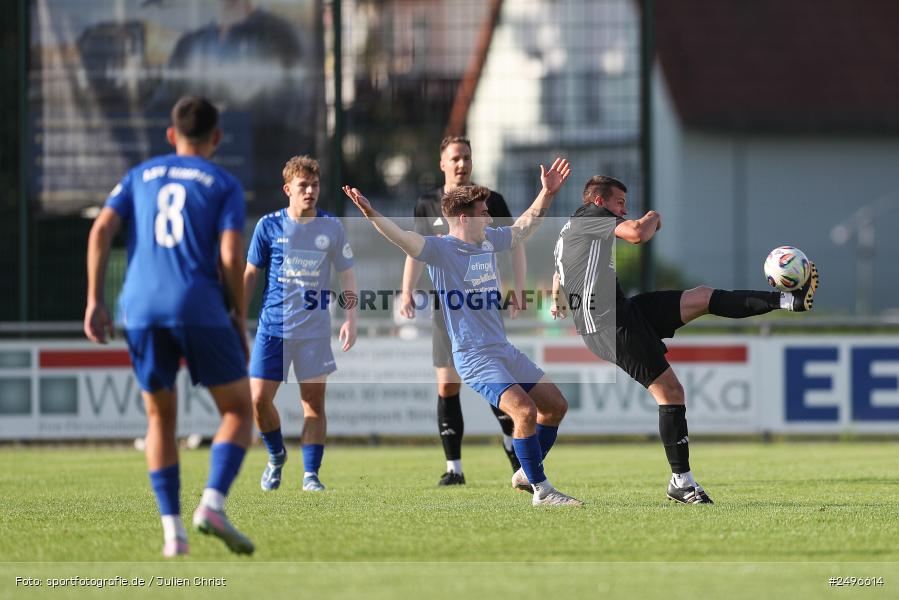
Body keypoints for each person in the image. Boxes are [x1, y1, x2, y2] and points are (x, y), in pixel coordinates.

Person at [552, 175, 819, 504]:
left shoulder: (571, 228)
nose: (624, 209)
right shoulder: (592, 217)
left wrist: (558, 298)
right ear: (599, 202)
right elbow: (636, 234)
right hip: (609, 324)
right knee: (671, 392)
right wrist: (652, 217)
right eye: (620, 203)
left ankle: (787, 301)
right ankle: (682, 482)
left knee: (702, 297)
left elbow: (559, 273)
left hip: (621, 310)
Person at [344, 158, 585, 506]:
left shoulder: (488, 240)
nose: (489, 218)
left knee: (556, 406)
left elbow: (523, 227)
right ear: (464, 218)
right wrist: (370, 213)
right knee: (525, 413)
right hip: (473, 355)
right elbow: (402, 239)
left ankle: (525, 473)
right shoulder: (441, 249)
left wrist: (546, 193)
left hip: (501, 348)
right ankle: (542, 490)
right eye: (484, 212)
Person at [84, 96, 255, 556]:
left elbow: (100, 230)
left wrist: (95, 300)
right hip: (196, 304)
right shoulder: (223, 183)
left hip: (138, 307)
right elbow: (230, 257)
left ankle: (172, 535)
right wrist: (238, 315)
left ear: (170, 135)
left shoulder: (140, 175)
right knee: (240, 412)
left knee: (160, 416)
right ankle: (213, 503)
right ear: (216, 137)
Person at [399, 136, 525, 486]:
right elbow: (414, 248)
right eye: (455, 158)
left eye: (466, 157)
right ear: (442, 163)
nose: (461, 164)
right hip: (447, 310)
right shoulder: (428, 203)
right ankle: (454, 468)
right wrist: (406, 289)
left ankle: (515, 453)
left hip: (485, 309)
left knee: (497, 380)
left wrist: (517, 287)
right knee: (447, 385)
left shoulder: (491, 200)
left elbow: (515, 242)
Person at [244, 156, 357, 493]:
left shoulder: (331, 227)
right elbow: (251, 274)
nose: (310, 191)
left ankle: (311, 474)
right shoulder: (268, 226)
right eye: (303, 186)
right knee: (259, 400)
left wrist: (351, 317)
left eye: (315, 185)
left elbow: (347, 275)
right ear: (287, 189)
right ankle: (276, 455)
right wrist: (235, 313)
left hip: (314, 331)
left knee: (313, 403)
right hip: (272, 328)